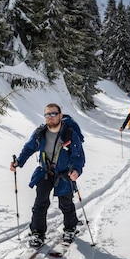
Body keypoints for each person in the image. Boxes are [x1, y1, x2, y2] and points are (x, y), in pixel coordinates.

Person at [10, 103, 85, 248]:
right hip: (45, 173)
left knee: (66, 204)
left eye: (53, 114)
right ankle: (38, 233)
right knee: (40, 203)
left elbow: (79, 156)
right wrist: (18, 162)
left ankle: (70, 229)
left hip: (65, 175)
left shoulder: (69, 134)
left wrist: (76, 171)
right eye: (47, 115)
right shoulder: (40, 132)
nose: (50, 117)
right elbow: (29, 148)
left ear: (60, 115)